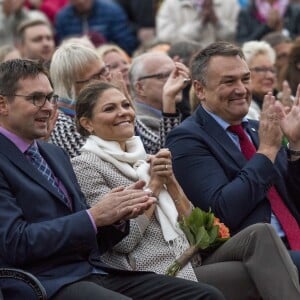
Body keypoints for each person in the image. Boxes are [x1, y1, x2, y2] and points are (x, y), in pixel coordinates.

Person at [0, 58, 225, 300]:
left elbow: (94, 236)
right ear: (3, 104)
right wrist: (94, 216)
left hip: (94, 271)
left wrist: (118, 216)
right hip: (43, 281)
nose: (48, 107)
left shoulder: (53, 154)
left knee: (206, 296)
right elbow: (15, 243)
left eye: (50, 97)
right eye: (36, 98)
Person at [71, 81, 300, 300]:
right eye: (110, 108)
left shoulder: (145, 160)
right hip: (155, 272)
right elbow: (124, 241)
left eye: (126, 105)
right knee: (264, 271)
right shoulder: (86, 166)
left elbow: (199, 231)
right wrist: (153, 187)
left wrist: (171, 183)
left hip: (192, 256)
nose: (123, 112)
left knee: (261, 232)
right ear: (87, 123)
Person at [166, 41, 300, 273]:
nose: (241, 89)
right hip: (251, 253)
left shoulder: (261, 129)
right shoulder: (187, 138)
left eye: (245, 79)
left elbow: (294, 198)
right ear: (200, 89)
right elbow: (222, 212)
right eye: (229, 81)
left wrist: (296, 148)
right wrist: (266, 152)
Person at [49, 42, 186, 157]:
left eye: (105, 71)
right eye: (96, 78)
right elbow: (99, 164)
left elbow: (160, 149)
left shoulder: (116, 103)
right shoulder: (61, 123)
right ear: (70, 86)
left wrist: (168, 103)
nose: (106, 80)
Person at [129, 52, 190, 135]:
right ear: (140, 88)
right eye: (165, 75)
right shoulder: (137, 123)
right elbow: (173, 145)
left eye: (177, 72)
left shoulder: (180, 108)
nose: (177, 79)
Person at [54, 0, 138, 54]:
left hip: (108, 60)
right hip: (76, 63)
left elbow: (126, 44)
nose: (81, 2)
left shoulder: (111, 11)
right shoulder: (63, 17)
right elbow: (61, 48)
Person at [156, 0, 240, 49]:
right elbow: (165, 36)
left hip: (223, 58)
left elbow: (239, 34)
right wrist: (199, 24)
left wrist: (217, 21)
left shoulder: (230, 2)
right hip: (186, 60)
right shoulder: (171, 4)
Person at [236, 0, 300, 44]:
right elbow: (242, 43)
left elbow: (297, 41)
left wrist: (282, 32)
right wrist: (267, 27)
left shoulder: (295, 11)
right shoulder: (246, 12)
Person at [242, 40, 277, 120]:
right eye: (261, 70)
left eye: (272, 70)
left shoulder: (285, 102)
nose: (270, 76)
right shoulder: (242, 111)